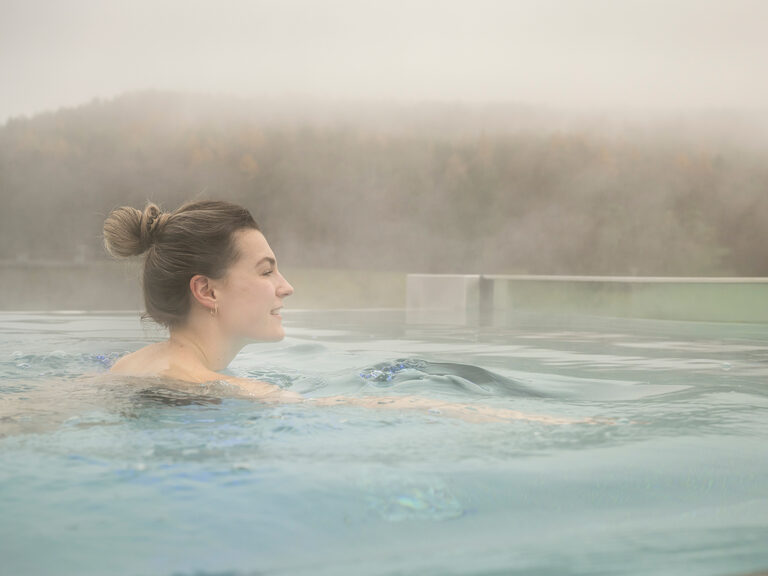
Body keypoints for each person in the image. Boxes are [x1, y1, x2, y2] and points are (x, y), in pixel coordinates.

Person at [103, 199, 583, 424]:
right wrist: (544, 422)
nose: (286, 288)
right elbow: (362, 408)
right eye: (267, 271)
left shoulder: (126, 369)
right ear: (207, 291)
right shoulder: (220, 390)